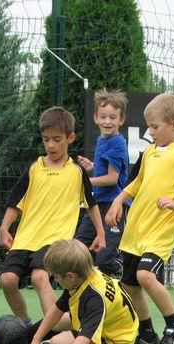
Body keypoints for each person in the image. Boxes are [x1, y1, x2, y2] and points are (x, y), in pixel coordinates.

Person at [105, 93, 174, 344]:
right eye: (149, 126)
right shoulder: (149, 152)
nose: (150, 132)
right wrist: (118, 200)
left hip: (161, 230)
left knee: (145, 276)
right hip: (136, 229)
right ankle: (146, 334)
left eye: (154, 127)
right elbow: (135, 183)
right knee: (130, 284)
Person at [0, 106, 105, 324]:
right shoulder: (34, 169)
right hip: (26, 238)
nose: (51, 145)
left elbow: (91, 204)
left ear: (70, 138)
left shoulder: (77, 172)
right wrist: (4, 228)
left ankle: (52, 328)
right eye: (46, 140)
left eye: (57, 139)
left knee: (39, 277)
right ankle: (26, 325)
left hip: (56, 239)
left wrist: (101, 233)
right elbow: (15, 202)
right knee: (7, 280)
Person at [24, 239, 137, 344]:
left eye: (56, 276)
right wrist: (36, 339)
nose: (55, 280)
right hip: (109, 322)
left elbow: (85, 336)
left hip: (115, 343)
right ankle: (27, 341)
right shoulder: (84, 276)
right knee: (59, 322)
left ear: (70, 276)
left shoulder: (94, 298)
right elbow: (57, 310)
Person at [76, 89, 130, 276]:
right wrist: (92, 166)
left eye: (112, 118)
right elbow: (106, 169)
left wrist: (86, 180)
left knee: (105, 258)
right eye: (103, 117)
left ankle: (129, 269)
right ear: (96, 118)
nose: (107, 122)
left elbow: (112, 178)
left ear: (121, 119)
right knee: (80, 250)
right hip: (96, 204)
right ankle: (83, 288)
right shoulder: (102, 139)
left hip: (113, 207)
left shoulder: (117, 143)